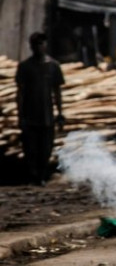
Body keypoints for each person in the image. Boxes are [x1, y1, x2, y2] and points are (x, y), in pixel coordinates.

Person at [15, 32, 65, 186]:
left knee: (46, 149)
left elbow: (57, 92)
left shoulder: (53, 66)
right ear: (31, 47)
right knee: (30, 149)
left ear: (45, 45)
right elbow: (20, 93)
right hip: (30, 115)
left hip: (47, 115)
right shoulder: (25, 67)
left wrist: (60, 112)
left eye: (41, 44)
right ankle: (33, 176)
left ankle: (41, 176)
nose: (39, 47)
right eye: (35, 44)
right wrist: (20, 116)